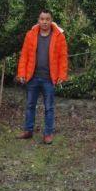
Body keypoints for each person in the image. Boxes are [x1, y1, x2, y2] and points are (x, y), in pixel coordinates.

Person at [15, 9, 68, 144]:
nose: (44, 22)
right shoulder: (31, 35)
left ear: (51, 20)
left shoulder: (59, 37)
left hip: (49, 79)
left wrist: (62, 75)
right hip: (32, 77)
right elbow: (24, 56)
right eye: (42, 19)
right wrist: (21, 73)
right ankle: (28, 130)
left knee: (49, 107)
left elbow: (63, 58)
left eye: (47, 19)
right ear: (38, 20)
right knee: (30, 105)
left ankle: (48, 134)